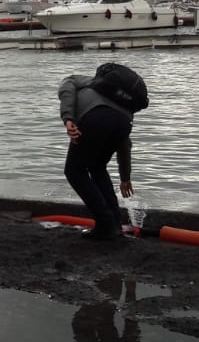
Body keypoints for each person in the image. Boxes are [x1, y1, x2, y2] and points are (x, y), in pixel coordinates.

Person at [57, 62, 145, 241]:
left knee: (74, 171)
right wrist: (125, 177)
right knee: (97, 167)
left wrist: (67, 118)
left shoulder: (79, 81)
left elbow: (67, 84)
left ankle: (106, 225)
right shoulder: (120, 100)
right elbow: (124, 143)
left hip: (94, 118)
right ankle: (115, 224)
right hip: (123, 124)